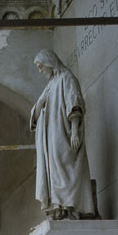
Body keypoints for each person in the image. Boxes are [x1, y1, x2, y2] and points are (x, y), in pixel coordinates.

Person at [30, 49, 94, 220]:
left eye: (41, 66)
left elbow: (74, 103)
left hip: (63, 134)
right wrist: (41, 103)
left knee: (67, 168)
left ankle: (72, 208)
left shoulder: (67, 78)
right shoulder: (50, 85)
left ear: (49, 63)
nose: (40, 71)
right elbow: (35, 114)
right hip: (51, 137)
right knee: (54, 173)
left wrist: (74, 131)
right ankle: (58, 208)